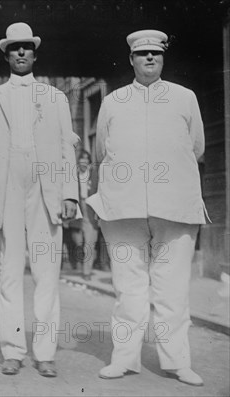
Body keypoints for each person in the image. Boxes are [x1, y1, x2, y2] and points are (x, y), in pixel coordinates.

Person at [86, 30, 207, 387]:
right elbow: (100, 154)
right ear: (131, 60)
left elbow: (196, 147)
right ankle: (124, 359)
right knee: (129, 288)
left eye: (156, 53)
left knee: (172, 289)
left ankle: (177, 362)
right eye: (143, 55)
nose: (150, 59)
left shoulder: (185, 99)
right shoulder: (114, 101)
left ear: (163, 58)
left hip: (175, 204)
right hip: (123, 206)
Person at [0, 22, 79, 377]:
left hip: (45, 189)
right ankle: (14, 350)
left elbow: (67, 148)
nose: (21, 53)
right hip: (7, 191)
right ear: (6, 54)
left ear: (34, 53)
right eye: (14, 48)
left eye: (26, 48)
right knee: (9, 273)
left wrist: (69, 195)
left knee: (47, 274)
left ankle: (45, 352)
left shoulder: (55, 98)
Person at [64, 149, 98, 280]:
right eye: (81, 160)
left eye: (86, 160)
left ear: (89, 162)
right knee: (78, 242)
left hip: (90, 209)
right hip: (78, 210)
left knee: (90, 243)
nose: (84, 162)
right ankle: (79, 264)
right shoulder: (74, 176)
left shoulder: (94, 176)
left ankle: (86, 272)